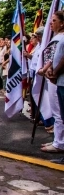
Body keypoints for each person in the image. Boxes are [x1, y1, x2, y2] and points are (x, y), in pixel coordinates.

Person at [38, 11, 64, 152]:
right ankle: (58, 141)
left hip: (58, 78)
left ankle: (59, 143)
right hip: (55, 78)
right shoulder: (57, 37)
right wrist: (46, 68)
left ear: (62, 23)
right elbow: (53, 57)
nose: (51, 23)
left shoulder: (62, 38)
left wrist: (52, 70)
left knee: (58, 112)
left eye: (54, 20)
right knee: (57, 111)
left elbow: (61, 58)